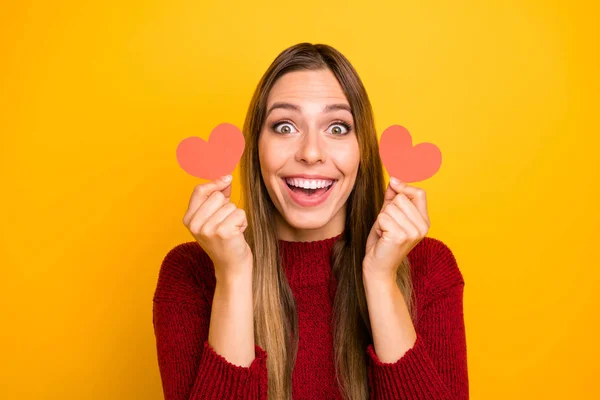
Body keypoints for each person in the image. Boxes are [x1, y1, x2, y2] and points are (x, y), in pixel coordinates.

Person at [152, 42, 469, 400]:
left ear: (362, 149)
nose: (311, 153)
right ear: (255, 147)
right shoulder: (190, 273)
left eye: (337, 128)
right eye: (285, 127)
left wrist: (381, 281)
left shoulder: (429, 267)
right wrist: (233, 276)